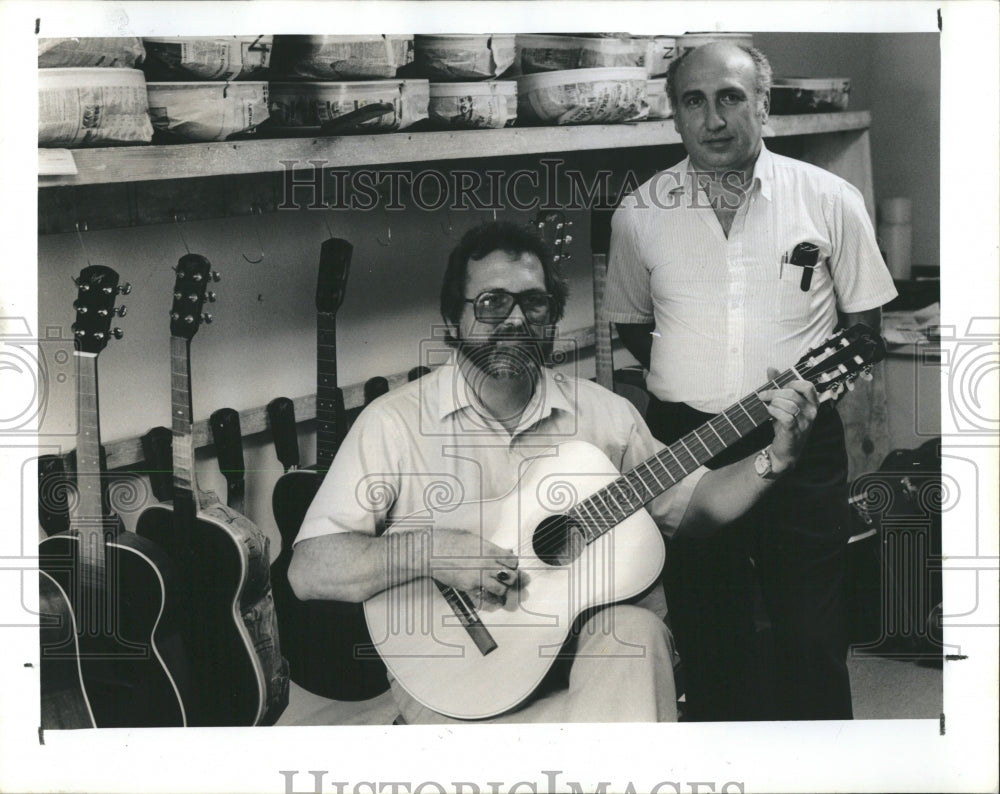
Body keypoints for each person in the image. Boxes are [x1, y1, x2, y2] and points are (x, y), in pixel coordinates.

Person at [289, 220, 820, 724]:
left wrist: (775, 459)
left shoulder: (600, 412)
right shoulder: (394, 423)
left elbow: (696, 505)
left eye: (534, 302)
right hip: (457, 678)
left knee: (636, 632)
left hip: (583, 664)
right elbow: (309, 571)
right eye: (493, 302)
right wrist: (431, 550)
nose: (516, 319)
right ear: (454, 320)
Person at [602, 42, 898, 721]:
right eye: (694, 101)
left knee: (812, 635)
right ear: (673, 114)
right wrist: (701, 380)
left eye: (731, 97)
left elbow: (865, 325)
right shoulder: (639, 213)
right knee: (708, 636)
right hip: (683, 447)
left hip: (801, 438)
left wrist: (806, 400)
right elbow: (632, 325)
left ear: (763, 103)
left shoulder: (829, 198)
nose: (714, 118)